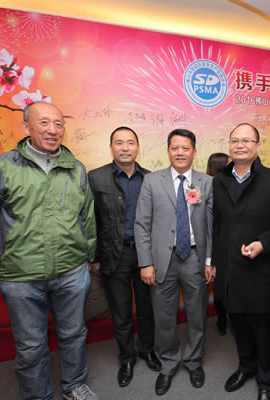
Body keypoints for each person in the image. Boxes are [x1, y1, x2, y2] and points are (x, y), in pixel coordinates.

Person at [0, 101, 98, 400]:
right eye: (44, 123)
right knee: (30, 345)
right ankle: (37, 395)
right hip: (20, 274)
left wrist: (90, 257)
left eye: (58, 124)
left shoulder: (76, 169)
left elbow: (87, 218)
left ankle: (74, 385)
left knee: (74, 334)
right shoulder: (1, 167)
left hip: (72, 270)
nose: (53, 130)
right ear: (26, 127)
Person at [212, 123, 270, 400]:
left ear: (258, 146)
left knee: (264, 331)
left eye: (247, 140)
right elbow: (217, 225)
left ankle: (267, 381)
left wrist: (264, 243)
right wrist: (213, 261)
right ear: (229, 145)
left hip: (260, 271)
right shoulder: (218, 181)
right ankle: (246, 367)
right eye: (235, 140)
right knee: (238, 326)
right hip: (229, 271)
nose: (240, 145)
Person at [134, 129, 214, 396]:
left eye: (185, 148)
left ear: (194, 151)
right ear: (168, 150)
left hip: (195, 258)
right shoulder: (151, 181)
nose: (180, 152)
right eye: (175, 148)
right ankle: (168, 363)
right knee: (164, 316)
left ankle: (193, 360)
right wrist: (146, 262)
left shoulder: (206, 182)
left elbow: (212, 225)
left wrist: (209, 260)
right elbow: (142, 224)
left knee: (196, 314)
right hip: (161, 261)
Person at [88, 127, 160, 388]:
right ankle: (127, 358)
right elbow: (90, 220)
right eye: (119, 143)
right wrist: (94, 256)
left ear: (138, 147)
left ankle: (147, 350)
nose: (125, 147)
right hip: (112, 254)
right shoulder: (95, 178)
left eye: (130, 143)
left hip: (145, 254)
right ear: (111, 148)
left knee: (146, 308)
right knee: (121, 311)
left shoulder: (150, 178)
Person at [205, 152, 230, 336]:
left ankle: (222, 318)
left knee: (220, 285)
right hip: (221, 240)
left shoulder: (206, 183)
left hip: (213, 240)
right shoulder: (217, 185)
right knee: (225, 284)